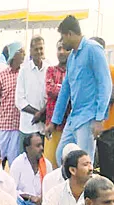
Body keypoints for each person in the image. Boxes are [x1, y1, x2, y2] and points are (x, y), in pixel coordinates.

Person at [48, 15, 112, 162]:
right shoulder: (72, 57)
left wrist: (99, 118)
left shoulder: (93, 50)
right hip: (74, 118)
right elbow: (65, 91)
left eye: (63, 37)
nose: (62, 42)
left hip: (89, 118)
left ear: (70, 34)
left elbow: (105, 84)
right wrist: (54, 121)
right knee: (61, 157)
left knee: (84, 163)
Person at [0, 42, 25, 166]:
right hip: (3, 124)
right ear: (14, 55)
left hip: (17, 124)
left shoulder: (24, 74)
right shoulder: (2, 76)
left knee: (14, 160)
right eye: (20, 52)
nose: (23, 55)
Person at [9, 132, 52, 205]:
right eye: (38, 146)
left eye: (41, 145)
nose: (42, 148)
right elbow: (11, 190)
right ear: (28, 148)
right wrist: (30, 198)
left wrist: (41, 199)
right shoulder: (18, 163)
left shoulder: (47, 164)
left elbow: (51, 189)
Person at [16, 36, 49, 147]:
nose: (39, 52)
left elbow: (52, 97)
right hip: (28, 125)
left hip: (44, 125)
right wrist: (37, 113)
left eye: (41, 48)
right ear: (30, 50)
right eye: (36, 49)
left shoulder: (49, 69)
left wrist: (41, 114)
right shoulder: (24, 70)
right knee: (25, 160)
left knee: (42, 161)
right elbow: (19, 100)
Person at [44, 40, 71, 168]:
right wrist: (66, 91)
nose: (61, 52)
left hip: (69, 126)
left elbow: (76, 93)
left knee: (66, 164)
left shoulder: (74, 71)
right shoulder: (51, 70)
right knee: (50, 164)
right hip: (52, 125)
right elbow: (50, 90)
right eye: (59, 49)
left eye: (65, 49)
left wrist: (60, 88)